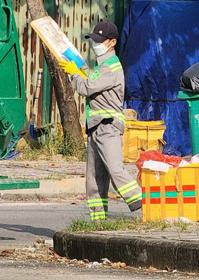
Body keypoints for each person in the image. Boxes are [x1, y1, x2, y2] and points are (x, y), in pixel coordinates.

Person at [59, 21, 142, 221]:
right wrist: (79, 68)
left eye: (99, 41)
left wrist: (73, 74)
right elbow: (91, 78)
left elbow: (86, 87)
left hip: (108, 126)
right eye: (94, 40)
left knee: (115, 169)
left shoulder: (110, 67)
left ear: (112, 42)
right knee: (95, 176)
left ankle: (142, 204)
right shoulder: (102, 66)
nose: (95, 44)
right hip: (96, 126)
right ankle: (98, 218)